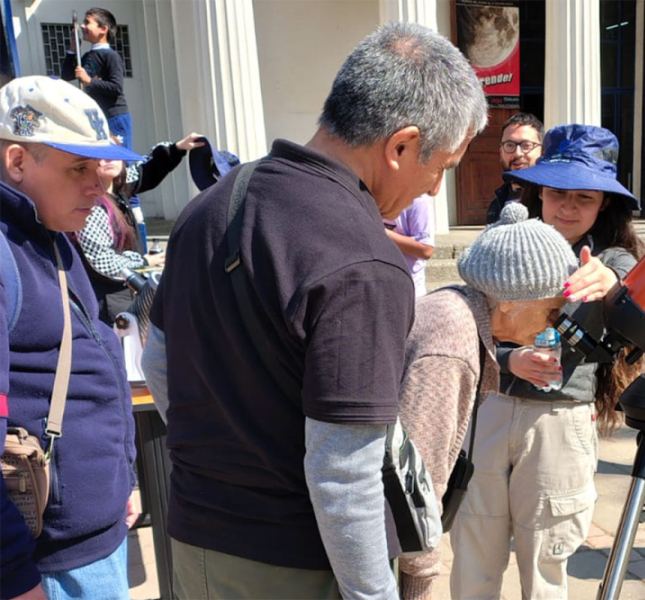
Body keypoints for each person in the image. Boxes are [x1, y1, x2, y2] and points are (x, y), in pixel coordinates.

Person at [140, 22, 487, 600]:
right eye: (442, 167)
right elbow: (344, 473)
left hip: (196, 539)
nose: (433, 190)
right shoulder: (366, 262)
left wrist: (222, 454)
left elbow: (158, 361)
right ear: (401, 146)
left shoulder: (214, 204)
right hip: (295, 563)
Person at [450, 124, 645, 599]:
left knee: (545, 562)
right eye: (558, 193)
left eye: (585, 197)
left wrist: (613, 288)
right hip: (490, 407)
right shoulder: (504, 243)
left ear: (604, 204)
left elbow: (642, 327)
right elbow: (466, 325)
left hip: (560, 418)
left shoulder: (612, 259)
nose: (568, 207)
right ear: (539, 192)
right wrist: (508, 358)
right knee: (474, 552)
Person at [0, 75, 143, 600]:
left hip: (92, 539)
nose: (98, 186)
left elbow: (91, 360)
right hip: (47, 567)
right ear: (18, 161)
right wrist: (14, 577)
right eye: (79, 167)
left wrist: (124, 476)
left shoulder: (51, 233)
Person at [398, 202, 578, 599]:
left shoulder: (454, 307)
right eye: (552, 309)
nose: (554, 323)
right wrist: (418, 581)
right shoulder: (453, 342)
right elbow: (415, 486)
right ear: (511, 300)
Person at [74, 134, 205, 324]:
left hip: (126, 291)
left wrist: (177, 148)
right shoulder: (92, 206)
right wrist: (143, 261)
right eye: (101, 154)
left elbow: (146, 171)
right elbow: (102, 260)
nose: (109, 158)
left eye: (114, 152)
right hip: (109, 299)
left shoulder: (118, 187)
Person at [62, 8, 132, 150]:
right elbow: (67, 75)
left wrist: (89, 81)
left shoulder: (111, 56)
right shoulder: (87, 56)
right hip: (96, 117)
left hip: (114, 116)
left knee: (120, 158)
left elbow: (116, 87)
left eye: (87, 22)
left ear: (103, 29)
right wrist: (72, 50)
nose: (82, 26)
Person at [485, 113, 543, 225]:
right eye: (509, 145)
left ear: (542, 150)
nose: (517, 153)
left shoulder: (551, 202)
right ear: (501, 152)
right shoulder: (496, 204)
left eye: (526, 145)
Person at [385, 194, 436, 297]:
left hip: (408, 291)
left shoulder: (418, 201)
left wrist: (380, 232)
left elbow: (426, 249)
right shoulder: (366, 197)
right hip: (376, 287)